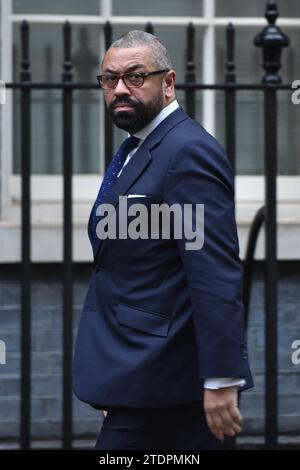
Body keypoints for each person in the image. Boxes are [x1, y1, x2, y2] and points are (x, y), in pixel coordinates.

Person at [73, 30, 253, 450]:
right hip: (138, 376)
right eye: (109, 79)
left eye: (136, 76)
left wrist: (223, 379)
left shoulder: (186, 151)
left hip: (165, 380)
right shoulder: (141, 146)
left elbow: (214, 272)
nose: (120, 89)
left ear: (168, 82)